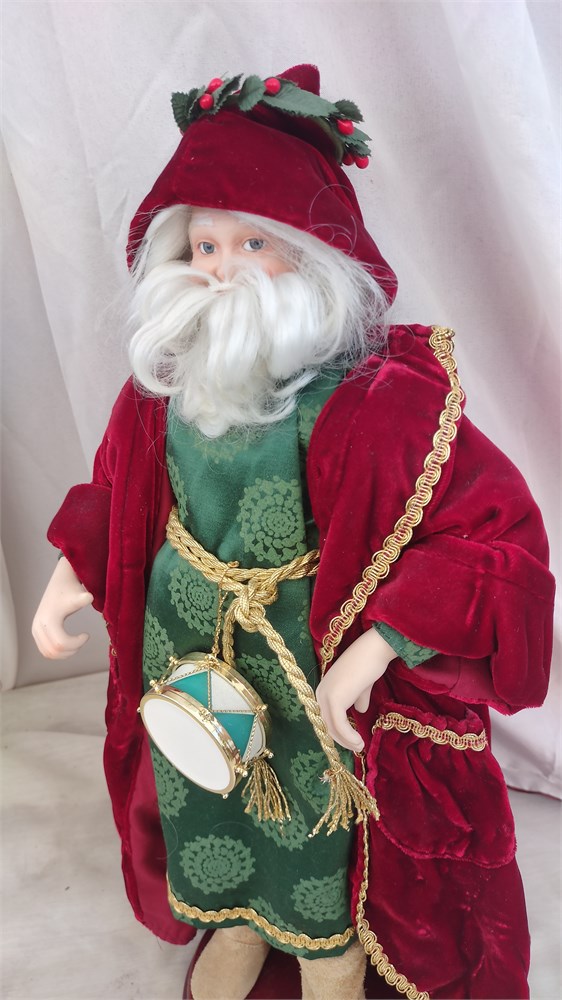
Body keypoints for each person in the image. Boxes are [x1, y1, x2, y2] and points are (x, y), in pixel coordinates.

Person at [32, 65, 554, 1000]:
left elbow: (485, 533)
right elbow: (122, 494)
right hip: (183, 642)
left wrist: (378, 645)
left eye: (253, 242)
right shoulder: (163, 391)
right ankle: (233, 922)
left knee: (307, 805)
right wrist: (72, 571)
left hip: (300, 654)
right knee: (201, 788)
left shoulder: (376, 402)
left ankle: (326, 951)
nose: (222, 268)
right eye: (203, 245)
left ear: (312, 257)